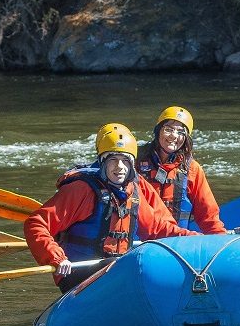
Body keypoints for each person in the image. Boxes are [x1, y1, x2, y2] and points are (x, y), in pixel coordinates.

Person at [24, 123, 199, 292]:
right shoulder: (81, 190)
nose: (119, 167)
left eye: (125, 161)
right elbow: (36, 224)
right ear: (102, 162)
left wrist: (196, 239)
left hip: (115, 271)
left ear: (132, 164)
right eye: (113, 160)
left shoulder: (133, 191)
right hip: (79, 275)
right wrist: (56, 257)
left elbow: (158, 229)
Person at [136, 106, 225, 234]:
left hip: (175, 241)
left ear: (186, 138)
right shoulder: (134, 161)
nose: (174, 136)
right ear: (158, 131)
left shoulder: (192, 169)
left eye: (181, 132)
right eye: (168, 129)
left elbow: (208, 215)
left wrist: (220, 239)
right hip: (137, 240)